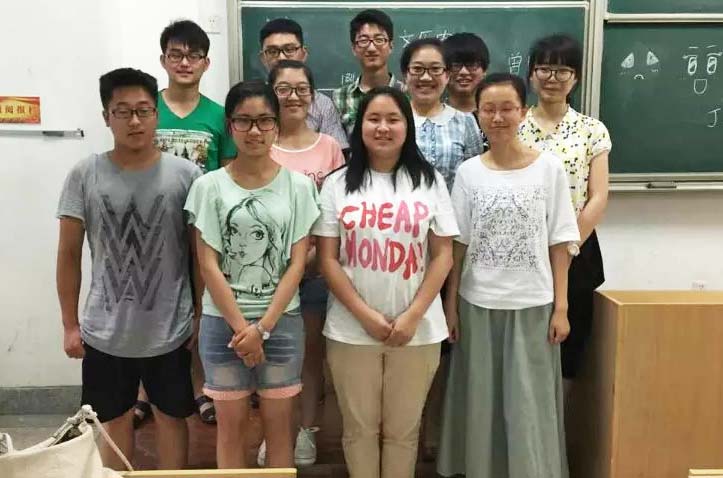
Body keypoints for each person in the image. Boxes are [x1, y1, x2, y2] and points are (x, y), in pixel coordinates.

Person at [56, 68, 201, 470]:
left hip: (170, 330)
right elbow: (68, 254)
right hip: (105, 333)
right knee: (113, 420)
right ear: (107, 117)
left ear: (156, 114)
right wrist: (69, 324)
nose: (134, 121)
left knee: (172, 418)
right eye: (122, 111)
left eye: (143, 110)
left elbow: (199, 255)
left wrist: (200, 315)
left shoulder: (187, 175)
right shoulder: (85, 174)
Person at [437, 73, 579, 478]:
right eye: (489, 109)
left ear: (523, 111)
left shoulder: (549, 169)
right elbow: (458, 245)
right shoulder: (469, 172)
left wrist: (561, 307)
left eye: (507, 109)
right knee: (481, 402)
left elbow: (560, 241)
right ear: (478, 114)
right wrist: (451, 307)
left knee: (528, 405)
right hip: (477, 305)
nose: (497, 118)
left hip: (534, 304)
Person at [314, 86, 458, 478]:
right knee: (359, 431)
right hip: (350, 329)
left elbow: (443, 255)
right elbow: (327, 259)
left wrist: (412, 316)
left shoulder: (429, 182)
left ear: (407, 127)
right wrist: (365, 316)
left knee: (403, 432)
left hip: (418, 330)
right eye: (373, 119)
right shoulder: (337, 184)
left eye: (393, 119)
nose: (383, 127)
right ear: (359, 125)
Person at [184, 80, 319, 469]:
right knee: (230, 432)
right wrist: (244, 328)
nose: (254, 130)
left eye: (264, 120)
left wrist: (263, 328)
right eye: (244, 121)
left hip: (282, 323)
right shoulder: (208, 186)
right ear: (230, 126)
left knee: (280, 432)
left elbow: (297, 263)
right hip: (222, 325)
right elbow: (208, 264)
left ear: (276, 125)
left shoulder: (299, 187)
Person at [254, 59, 345, 467]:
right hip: (265, 274)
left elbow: (338, 211)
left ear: (313, 96)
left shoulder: (329, 147)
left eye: (302, 89)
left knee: (309, 356)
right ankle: (276, 433)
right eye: (284, 89)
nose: (293, 97)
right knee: (272, 358)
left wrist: (309, 257)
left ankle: (306, 431)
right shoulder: (261, 144)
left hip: (316, 270)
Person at [519, 34, 612, 394]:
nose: (552, 78)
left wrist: (568, 245)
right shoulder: (514, 124)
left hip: (577, 250)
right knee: (524, 348)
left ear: (576, 78)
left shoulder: (591, 130)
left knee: (568, 350)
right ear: (531, 74)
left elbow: (598, 196)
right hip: (521, 250)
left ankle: (561, 429)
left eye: (562, 70)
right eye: (544, 68)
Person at [401, 38, 484, 192]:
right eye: (417, 69)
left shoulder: (465, 122)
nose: (426, 77)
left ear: (447, 75)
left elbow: (475, 180)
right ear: (405, 74)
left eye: (435, 69)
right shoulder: (395, 119)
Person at [156, 20, 236, 173]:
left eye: (193, 56)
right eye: (176, 55)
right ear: (163, 60)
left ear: (206, 63)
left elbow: (227, 177)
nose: (185, 63)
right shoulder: (145, 110)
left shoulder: (221, 116)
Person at [259, 18, 349, 151]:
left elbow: (337, 153)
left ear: (303, 54)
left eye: (289, 49)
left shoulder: (322, 105)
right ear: (263, 58)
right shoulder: (252, 102)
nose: (281, 57)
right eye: (273, 51)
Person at [333, 9, 404, 136]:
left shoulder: (407, 93)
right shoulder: (340, 97)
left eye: (379, 39)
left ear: (391, 46)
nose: (371, 48)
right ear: (354, 48)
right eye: (363, 40)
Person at [442, 32, 490, 115]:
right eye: (456, 65)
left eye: (471, 65)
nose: (463, 72)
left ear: (484, 70)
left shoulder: (496, 117)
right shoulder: (428, 117)